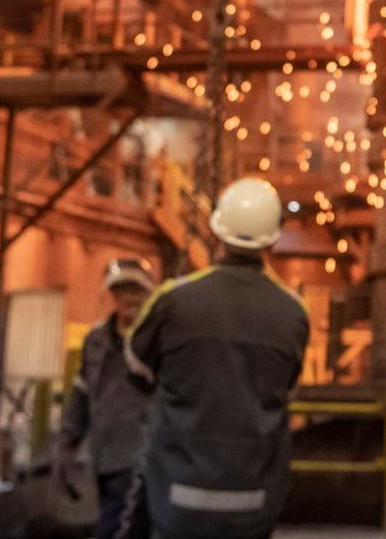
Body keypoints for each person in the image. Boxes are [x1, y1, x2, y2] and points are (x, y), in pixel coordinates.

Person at [125, 177, 308, 539]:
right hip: (255, 500)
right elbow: (288, 389)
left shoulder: (173, 300)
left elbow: (136, 365)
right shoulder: (293, 313)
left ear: (217, 232)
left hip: (178, 495)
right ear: (273, 239)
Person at [57, 258, 159, 539]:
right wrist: (67, 443)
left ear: (150, 292)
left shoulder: (159, 340)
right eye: (121, 290)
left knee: (116, 530)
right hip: (104, 457)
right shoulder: (97, 340)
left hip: (142, 459)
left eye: (135, 290)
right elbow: (83, 392)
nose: (129, 298)